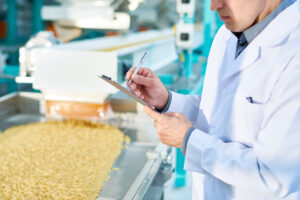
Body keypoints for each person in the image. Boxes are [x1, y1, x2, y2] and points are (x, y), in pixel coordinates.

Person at [126, 0, 300, 199]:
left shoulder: (294, 53)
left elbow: (275, 176)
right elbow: (221, 111)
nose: (213, 5)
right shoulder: (228, 33)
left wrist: (189, 140)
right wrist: (167, 101)